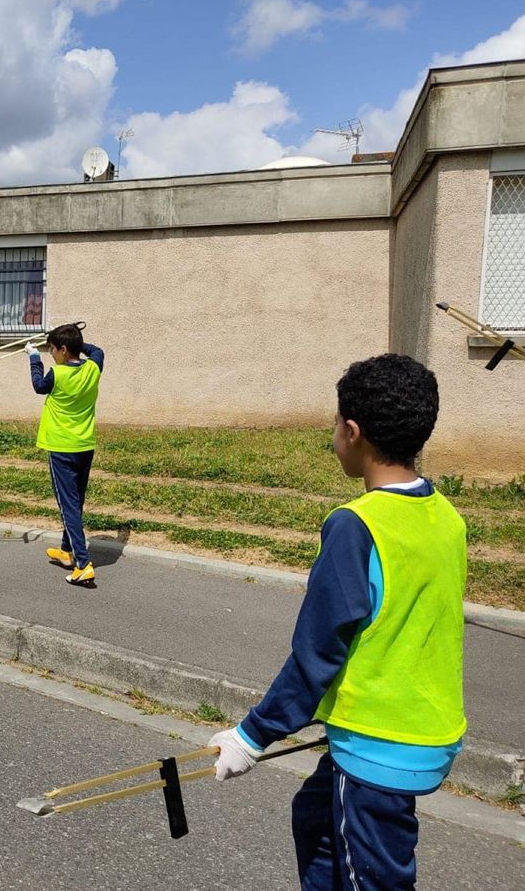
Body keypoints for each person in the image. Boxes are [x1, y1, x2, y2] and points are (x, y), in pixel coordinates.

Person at [210, 353, 466, 890]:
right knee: (317, 817)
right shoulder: (446, 516)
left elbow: (318, 651)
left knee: (372, 877)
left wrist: (252, 736)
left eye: (335, 424)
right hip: (426, 729)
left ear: (353, 432)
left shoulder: (355, 526)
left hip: (379, 744)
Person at [26, 323, 103, 586]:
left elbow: (38, 385)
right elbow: (97, 351)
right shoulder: (93, 367)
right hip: (85, 445)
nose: (50, 354)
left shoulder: (56, 375)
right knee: (76, 500)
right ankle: (67, 551)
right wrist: (77, 341)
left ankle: (83, 564)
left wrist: (33, 358)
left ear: (63, 349)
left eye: (52, 350)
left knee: (67, 504)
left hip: (61, 447)